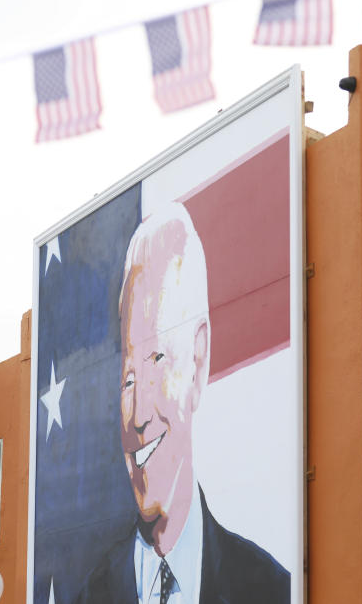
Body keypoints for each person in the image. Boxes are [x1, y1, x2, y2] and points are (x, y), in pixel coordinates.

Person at [78, 204, 289, 603]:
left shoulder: (271, 589)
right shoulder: (89, 594)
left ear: (198, 359)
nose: (138, 415)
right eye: (127, 380)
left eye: (156, 359)